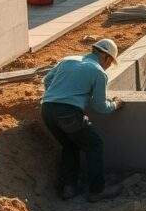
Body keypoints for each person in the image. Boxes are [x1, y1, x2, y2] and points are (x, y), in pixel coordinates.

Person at [41, 39, 123, 202]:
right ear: (106, 57)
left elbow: (47, 81)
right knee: (94, 144)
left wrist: (63, 93)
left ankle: (69, 188)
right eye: (110, 63)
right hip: (68, 114)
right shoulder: (98, 72)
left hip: (47, 109)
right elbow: (101, 107)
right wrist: (116, 104)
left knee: (69, 145)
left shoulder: (67, 60)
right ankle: (97, 190)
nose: (108, 66)